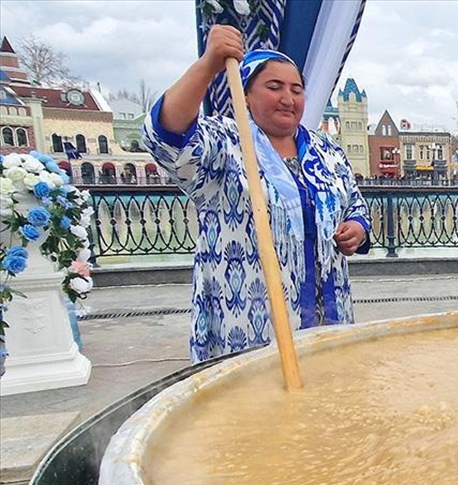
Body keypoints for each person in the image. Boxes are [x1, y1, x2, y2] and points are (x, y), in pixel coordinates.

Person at [143, 25, 370, 362]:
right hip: (250, 317)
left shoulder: (325, 149)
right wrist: (208, 65)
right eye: (274, 87)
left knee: (327, 389)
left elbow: (354, 202)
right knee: (257, 399)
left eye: (297, 89)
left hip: (327, 310)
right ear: (246, 95)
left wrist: (356, 227)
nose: (288, 98)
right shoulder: (226, 142)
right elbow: (167, 137)